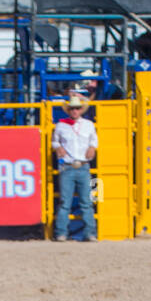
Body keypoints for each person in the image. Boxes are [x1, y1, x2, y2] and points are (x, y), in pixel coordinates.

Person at [51, 93, 98, 242]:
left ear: (80, 110)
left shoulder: (88, 125)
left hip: (83, 165)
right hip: (68, 166)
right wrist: (58, 148)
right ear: (69, 110)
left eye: (77, 108)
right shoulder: (61, 125)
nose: (75, 111)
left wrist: (92, 147)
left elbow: (94, 140)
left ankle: (89, 233)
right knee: (66, 201)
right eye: (72, 108)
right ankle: (61, 232)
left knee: (86, 202)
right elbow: (55, 141)